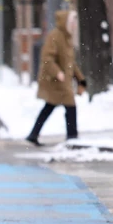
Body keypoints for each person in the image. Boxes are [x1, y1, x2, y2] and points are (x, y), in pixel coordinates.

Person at [26, 10, 86, 146]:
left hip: (62, 81)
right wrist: (57, 73)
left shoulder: (67, 37)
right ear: (66, 23)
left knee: (49, 107)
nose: (75, 25)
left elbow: (71, 63)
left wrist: (80, 78)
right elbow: (47, 58)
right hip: (55, 81)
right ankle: (72, 137)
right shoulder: (55, 36)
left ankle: (34, 134)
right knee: (70, 106)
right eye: (72, 22)